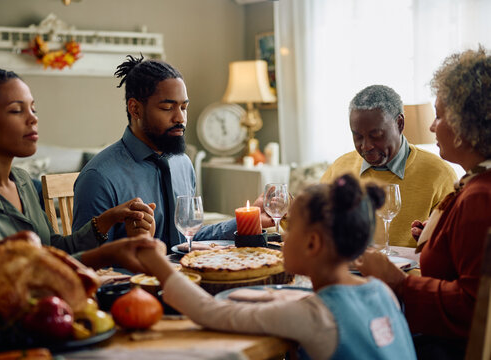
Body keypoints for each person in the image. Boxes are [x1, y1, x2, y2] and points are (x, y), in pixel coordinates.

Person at [136, 174, 417, 360]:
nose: (282, 237)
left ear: (313, 244)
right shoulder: (383, 291)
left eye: (290, 227)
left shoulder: (315, 315)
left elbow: (211, 313)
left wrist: (156, 262)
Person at [0, 69, 157, 303]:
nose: (33, 118)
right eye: (17, 110)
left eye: (33, 109)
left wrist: (107, 220)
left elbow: (54, 249)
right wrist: (104, 254)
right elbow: (10, 272)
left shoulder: (22, 181)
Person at [355, 47, 491, 359]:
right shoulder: (477, 183)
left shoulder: (480, 197)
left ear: (466, 124)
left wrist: (398, 282)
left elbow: (475, 307)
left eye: (440, 115)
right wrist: (438, 237)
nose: (432, 126)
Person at [72, 55, 273, 247]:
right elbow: (87, 263)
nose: (180, 118)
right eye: (168, 108)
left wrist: (249, 219)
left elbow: (187, 239)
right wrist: (137, 249)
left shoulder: (182, 163)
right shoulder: (98, 178)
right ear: (135, 109)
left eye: (184, 107)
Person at [321, 85, 458, 247]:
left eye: (376, 135)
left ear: (400, 123)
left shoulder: (439, 174)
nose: (366, 146)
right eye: (357, 136)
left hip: (410, 271)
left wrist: (430, 238)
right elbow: (316, 225)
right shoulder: (340, 168)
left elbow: (452, 245)